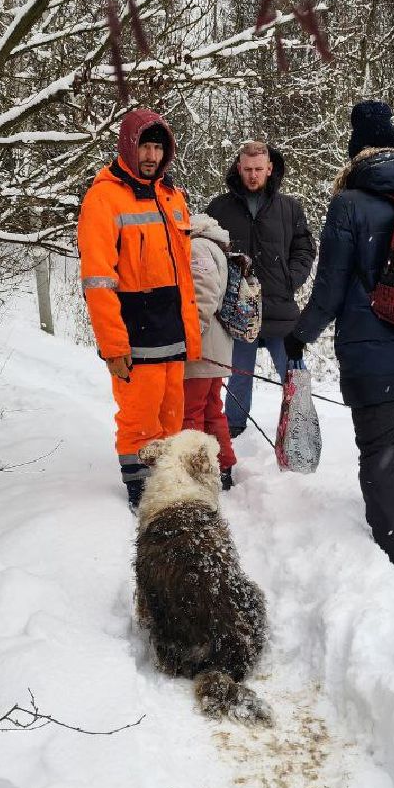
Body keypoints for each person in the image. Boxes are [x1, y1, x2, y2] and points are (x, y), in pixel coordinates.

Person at [285, 100, 394, 575]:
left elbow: (331, 286)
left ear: (355, 150)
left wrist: (300, 335)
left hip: (370, 348)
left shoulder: (348, 204)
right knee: (386, 434)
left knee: (378, 447)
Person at [77, 108, 201, 509]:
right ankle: (142, 494)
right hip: (134, 334)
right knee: (138, 420)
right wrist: (113, 345)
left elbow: (183, 273)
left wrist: (191, 333)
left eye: (157, 148)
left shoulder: (173, 197)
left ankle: (168, 484)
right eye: (145, 147)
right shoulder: (104, 198)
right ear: (128, 148)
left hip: (171, 334)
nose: (151, 156)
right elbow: (97, 280)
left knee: (171, 418)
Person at [205, 140, 316, 437]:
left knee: (293, 373)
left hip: (280, 307)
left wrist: (289, 278)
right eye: (248, 169)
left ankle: (300, 430)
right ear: (238, 169)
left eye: (259, 169)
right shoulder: (219, 208)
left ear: (269, 169)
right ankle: (234, 430)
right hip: (239, 310)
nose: (253, 175)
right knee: (239, 375)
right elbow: (204, 252)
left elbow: (304, 248)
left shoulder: (289, 208)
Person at [184, 213, 238, 490]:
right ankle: (224, 465)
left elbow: (204, 295)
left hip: (203, 345)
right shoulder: (216, 246)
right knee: (212, 409)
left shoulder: (198, 247)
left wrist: (192, 336)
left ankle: (196, 470)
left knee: (192, 412)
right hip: (218, 346)